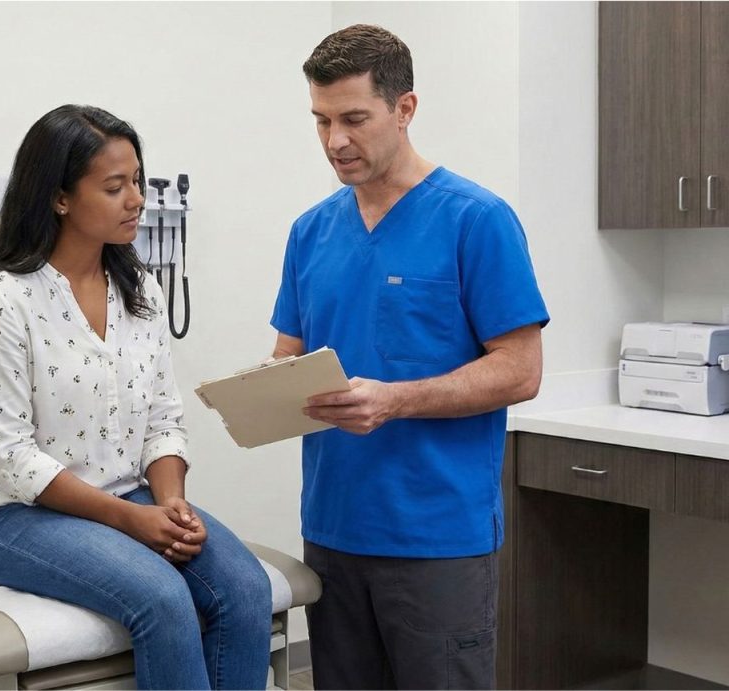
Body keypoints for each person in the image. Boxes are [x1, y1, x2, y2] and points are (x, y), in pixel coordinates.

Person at [270, 25, 550, 690]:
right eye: (322, 120)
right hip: (333, 530)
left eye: (355, 119)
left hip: (435, 537)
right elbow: (288, 357)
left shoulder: (477, 219)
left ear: (405, 108)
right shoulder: (310, 232)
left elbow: (521, 368)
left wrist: (394, 399)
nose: (336, 140)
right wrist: (258, 393)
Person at [0, 104, 272, 690]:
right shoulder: (4, 300)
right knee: (162, 596)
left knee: (247, 589)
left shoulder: (141, 290)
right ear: (59, 198)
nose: (136, 200)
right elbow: (12, 456)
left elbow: (163, 420)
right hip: (15, 517)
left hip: (133, 494)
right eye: (114, 186)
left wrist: (171, 503)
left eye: (136, 182)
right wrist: (131, 519)